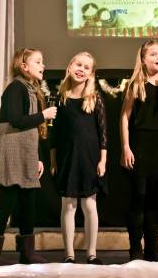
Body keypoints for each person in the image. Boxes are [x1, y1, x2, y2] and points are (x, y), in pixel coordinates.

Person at [0, 48, 57, 265]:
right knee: (7, 199)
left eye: (42, 61)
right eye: (38, 61)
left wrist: (36, 158)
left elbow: (30, 131)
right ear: (24, 66)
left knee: (28, 201)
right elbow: (16, 119)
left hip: (24, 150)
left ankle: (27, 252)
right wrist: (43, 115)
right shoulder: (16, 88)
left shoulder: (32, 90)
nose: (42, 65)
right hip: (10, 149)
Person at [120, 40, 158, 261]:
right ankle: (136, 248)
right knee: (139, 197)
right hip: (139, 144)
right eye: (153, 54)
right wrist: (126, 147)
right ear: (143, 59)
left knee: (154, 199)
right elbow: (124, 117)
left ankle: (153, 248)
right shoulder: (136, 85)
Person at [50, 52, 107, 265]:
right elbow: (55, 134)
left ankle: (91, 253)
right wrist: (54, 160)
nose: (81, 69)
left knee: (90, 205)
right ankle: (69, 254)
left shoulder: (94, 98)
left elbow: (103, 133)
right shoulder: (61, 97)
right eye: (78, 64)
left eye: (86, 67)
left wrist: (102, 161)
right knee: (68, 205)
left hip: (89, 159)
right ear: (70, 65)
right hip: (67, 158)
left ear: (91, 74)